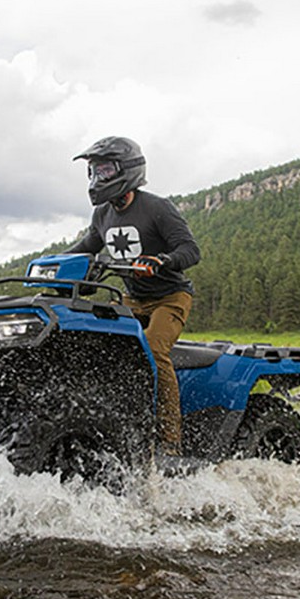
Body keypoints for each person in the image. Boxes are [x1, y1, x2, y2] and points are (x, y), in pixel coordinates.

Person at [65, 136, 200, 456]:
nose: (98, 178)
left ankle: (169, 440)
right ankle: (110, 423)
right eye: (94, 171)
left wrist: (162, 261)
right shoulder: (102, 216)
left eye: (106, 170)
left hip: (170, 296)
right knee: (98, 343)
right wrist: (51, 266)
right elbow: (85, 249)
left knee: (153, 350)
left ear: (127, 170)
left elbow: (190, 250)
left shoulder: (157, 208)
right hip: (130, 299)